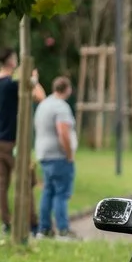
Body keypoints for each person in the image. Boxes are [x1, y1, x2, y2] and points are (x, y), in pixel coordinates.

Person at [0, 49, 46, 235]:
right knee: (27, 181)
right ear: (11, 61)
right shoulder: (12, 84)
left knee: (2, 184)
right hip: (14, 143)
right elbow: (39, 97)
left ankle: (6, 222)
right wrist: (33, 78)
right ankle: (33, 224)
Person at [34, 76, 79, 240]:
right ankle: (63, 229)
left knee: (48, 191)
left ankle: (44, 229)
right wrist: (69, 154)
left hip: (43, 154)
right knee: (61, 193)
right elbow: (63, 132)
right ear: (67, 89)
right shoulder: (61, 107)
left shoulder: (43, 105)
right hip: (58, 155)